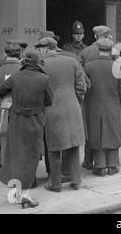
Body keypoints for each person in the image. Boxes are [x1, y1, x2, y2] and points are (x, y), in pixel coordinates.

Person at [0, 49, 53, 208]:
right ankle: (25, 195)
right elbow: (49, 101)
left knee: (17, 156)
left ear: (24, 61)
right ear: (38, 62)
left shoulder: (16, 77)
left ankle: (19, 192)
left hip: (17, 122)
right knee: (31, 157)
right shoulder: (44, 78)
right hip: (35, 123)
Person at [35, 37, 86, 192]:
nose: (39, 52)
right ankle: (76, 180)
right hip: (73, 107)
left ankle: (55, 183)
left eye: (39, 49)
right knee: (73, 145)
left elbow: (39, 90)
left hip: (53, 109)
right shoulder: (72, 61)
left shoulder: (42, 65)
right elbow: (81, 86)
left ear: (45, 49)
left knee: (54, 147)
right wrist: (75, 101)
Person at [84, 38, 121, 176]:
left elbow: (84, 87)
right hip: (113, 105)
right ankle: (113, 165)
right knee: (112, 134)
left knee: (96, 134)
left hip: (94, 106)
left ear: (98, 50)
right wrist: (120, 103)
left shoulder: (88, 66)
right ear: (110, 51)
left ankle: (100, 165)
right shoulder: (117, 66)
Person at [0, 44, 23, 177]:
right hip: (22, 114)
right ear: (20, 56)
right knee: (21, 142)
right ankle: (19, 172)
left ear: (5, 55)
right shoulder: (25, 71)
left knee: (3, 142)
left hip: (3, 113)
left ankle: (3, 171)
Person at [80, 25, 113, 170]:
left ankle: (88, 161)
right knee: (107, 130)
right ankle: (108, 162)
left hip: (90, 96)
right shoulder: (114, 51)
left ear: (94, 36)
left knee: (90, 129)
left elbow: (80, 76)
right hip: (109, 97)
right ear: (107, 36)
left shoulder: (86, 51)